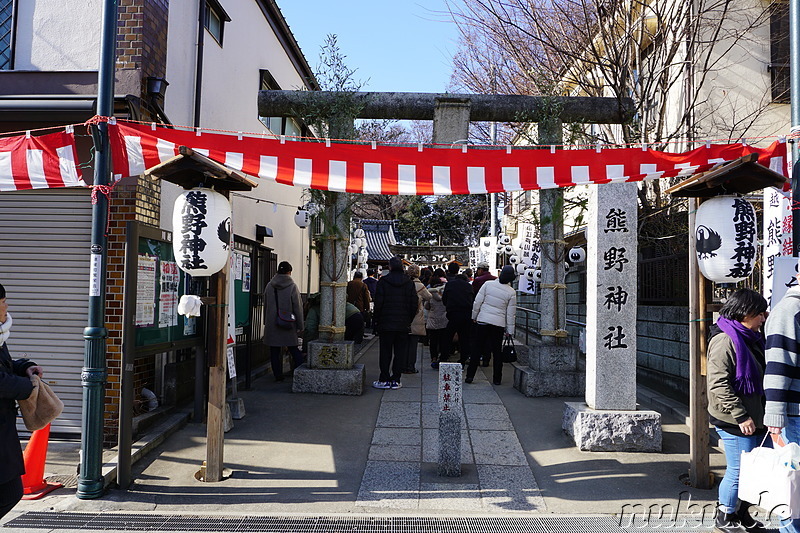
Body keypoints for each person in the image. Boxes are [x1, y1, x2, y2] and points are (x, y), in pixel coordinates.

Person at [707, 289, 770, 533]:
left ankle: (742, 514)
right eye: (760, 314)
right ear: (745, 313)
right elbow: (718, 383)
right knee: (738, 469)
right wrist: (741, 414)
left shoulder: (749, 338)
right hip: (734, 419)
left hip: (756, 417)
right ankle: (724, 517)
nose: (763, 318)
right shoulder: (725, 339)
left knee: (755, 470)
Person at [0, 283, 44, 519]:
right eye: (4, 302)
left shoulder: (0, 334)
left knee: (10, 490)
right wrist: (28, 388)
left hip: (3, 429)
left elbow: (5, 366)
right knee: (10, 491)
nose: (7, 306)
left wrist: (26, 367)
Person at [764, 276, 800, 533]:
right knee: (793, 489)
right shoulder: (789, 311)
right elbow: (778, 366)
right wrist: (775, 417)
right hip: (795, 417)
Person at [465, 265, 516, 386]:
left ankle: (470, 376)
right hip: (498, 324)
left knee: (477, 349)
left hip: (483, 320)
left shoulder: (488, 284)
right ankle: (497, 378)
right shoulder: (511, 292)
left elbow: (478, 302)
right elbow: (511, 314)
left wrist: (474, 316)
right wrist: (510, 330)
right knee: (497, 351)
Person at [372, 256, 418, 390]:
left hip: (386, 322)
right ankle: (396, 379)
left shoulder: (383, 281)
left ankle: (384, 378)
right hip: (403, 323)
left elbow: (378, 303)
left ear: (390, 267)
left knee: (385, 352)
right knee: (400, 352)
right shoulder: (409, 283)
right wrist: (408, 319)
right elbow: (413, 303)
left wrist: (376, 320)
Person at [263, 261, 305, 382]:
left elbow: (266, 304)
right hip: (287, 323)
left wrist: (267, 321)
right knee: (293, 348)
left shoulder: (269, 285)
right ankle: (300, 373)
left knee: (274, 351)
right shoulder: (292, 286)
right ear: (289, 272)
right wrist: (300, 325)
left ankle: (278, 375)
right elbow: (298, 307)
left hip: (273, 323)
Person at [441, 272, 474, 364]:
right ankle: (463, 358)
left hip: (453, 313)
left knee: (448, 336)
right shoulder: (469, 286)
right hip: (467, 314)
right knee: (464, 337)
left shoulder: (449, 284)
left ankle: (444, 357)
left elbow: (444, 300)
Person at [404, 264, 431, 374]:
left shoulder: (404, 284)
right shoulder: (420, 286)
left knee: (404, 343)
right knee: (413, 344)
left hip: (404, 316)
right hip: (416, 316)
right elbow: (429, 297)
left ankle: (402, 365)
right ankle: (411, 366)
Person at [425, 274, 448, 368]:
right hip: (443, 319)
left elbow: (427, 306)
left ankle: (433, 357)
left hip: (433, 320)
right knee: (443, 340)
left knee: (433, 340)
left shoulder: (430, 295)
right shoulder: (445, 294)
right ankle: (442, 357)